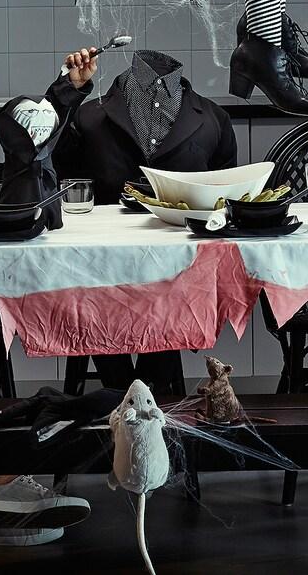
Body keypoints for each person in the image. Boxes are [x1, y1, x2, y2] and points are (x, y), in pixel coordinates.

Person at [54, 48, 238, 395]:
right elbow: (52, 160)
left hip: (178, 272)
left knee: (179, 286)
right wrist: (69, 90)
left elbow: (225, 202)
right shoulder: (89, 117)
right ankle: (133, 392)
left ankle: (134, 395)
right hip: (100, 269)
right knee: (91, 293)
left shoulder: (212, 119)